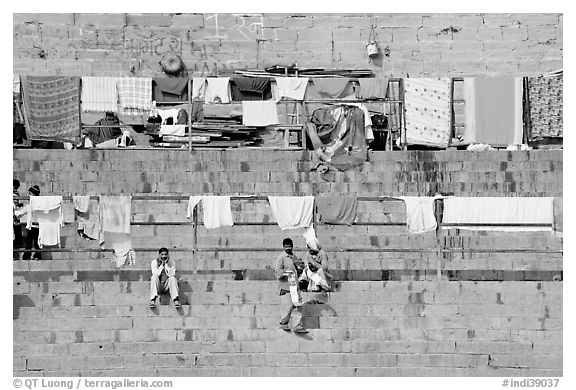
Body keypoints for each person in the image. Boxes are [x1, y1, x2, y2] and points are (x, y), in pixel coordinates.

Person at [274, 238, 308, 333]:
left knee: (298, 306)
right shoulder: (281, 258)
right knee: (287, 306)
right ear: (283, 247)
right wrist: (287, 273)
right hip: (286, 286)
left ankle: (297, 325)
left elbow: (299, 270)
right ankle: (284, 324)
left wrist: (301, 267)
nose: (288, 248)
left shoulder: (294, 257)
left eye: (290, 246)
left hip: (295, 286)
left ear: (292, 246)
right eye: (286, 246)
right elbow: (278, 273)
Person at [16, 185, 42, 260]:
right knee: (35, 242)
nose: (29, 195)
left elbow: (22, 212)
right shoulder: (40, 205)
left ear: (33, 194)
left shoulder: (31, 205)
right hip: (37, 226)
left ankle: (28, 256)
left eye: (30, 194)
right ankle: (36, 255)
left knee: (31, 242)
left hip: (32, 226)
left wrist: (16, 213)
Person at [13, 180, 23, 259]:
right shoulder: (16, 193)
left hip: (15, 217)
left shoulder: (16, 193)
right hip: (15, 217)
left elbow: (15, 204)